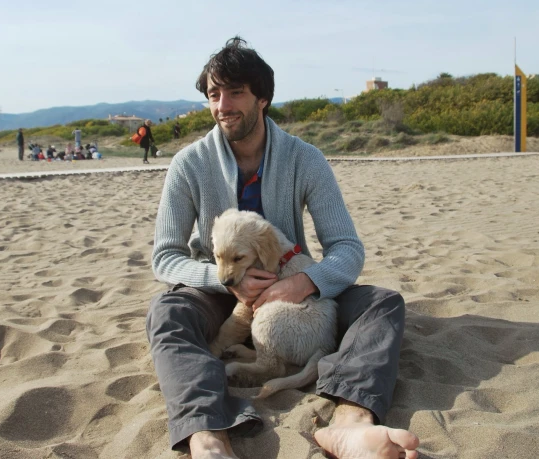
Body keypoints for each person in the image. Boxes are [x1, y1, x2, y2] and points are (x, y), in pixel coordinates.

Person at [147, 37, 419, 459]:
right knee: (166, 314)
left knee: (383, 304)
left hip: (293, 291)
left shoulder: (305, 159)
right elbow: (164, 256)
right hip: (219, 291)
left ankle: (349, 422)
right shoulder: (189, 164)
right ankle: (208, 437)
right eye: (214, 95)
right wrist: (223, 283)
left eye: (235, 92)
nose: (223, 106)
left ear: (263, 99)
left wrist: (305, 283)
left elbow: (347, 248)